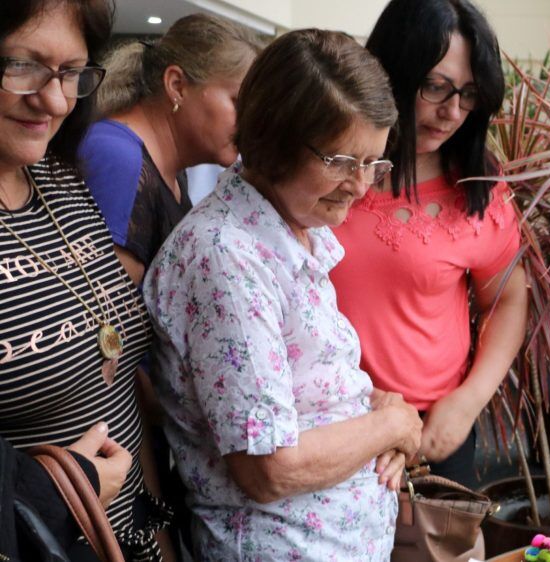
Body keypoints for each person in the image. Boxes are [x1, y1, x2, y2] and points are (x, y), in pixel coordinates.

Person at [142, 29, 423, 561]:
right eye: (342, 161)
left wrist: (372, 410)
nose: (361, 186)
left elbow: (305, 391)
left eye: (373, 163)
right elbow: (269, 467)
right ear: (274, 139)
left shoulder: (299, 224)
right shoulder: (225, 256)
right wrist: (389, 424)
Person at [330, 0, 528, 488]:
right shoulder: (326, 165)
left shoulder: (478, 187)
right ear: (393, 71)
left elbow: (506, 300)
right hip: (325, 426)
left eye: (468, 94)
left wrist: (466, 403)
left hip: (432, 434)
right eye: (435, 87)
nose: (452, 111)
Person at [0, 0, 171, 559]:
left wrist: (159, 524)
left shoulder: (59, 179)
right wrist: (56, 491)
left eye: (70, 73)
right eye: (22, 65)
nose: (53, 100)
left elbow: (120, 380)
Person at [80, 13, 263, 284]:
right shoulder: (119, 157)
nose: (250, 122)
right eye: (238, 103)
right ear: (177, 85)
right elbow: (107, 313)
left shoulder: (172, 171)